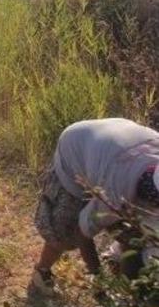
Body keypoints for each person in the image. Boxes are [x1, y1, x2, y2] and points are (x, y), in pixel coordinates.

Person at [31, 118, 159, 294]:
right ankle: (42, 271)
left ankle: (117, 258)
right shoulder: (115, 195)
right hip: (76, 148)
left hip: (113, 145)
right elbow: (83, 233)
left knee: (134, 231)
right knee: (63, 230)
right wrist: (100, 284)